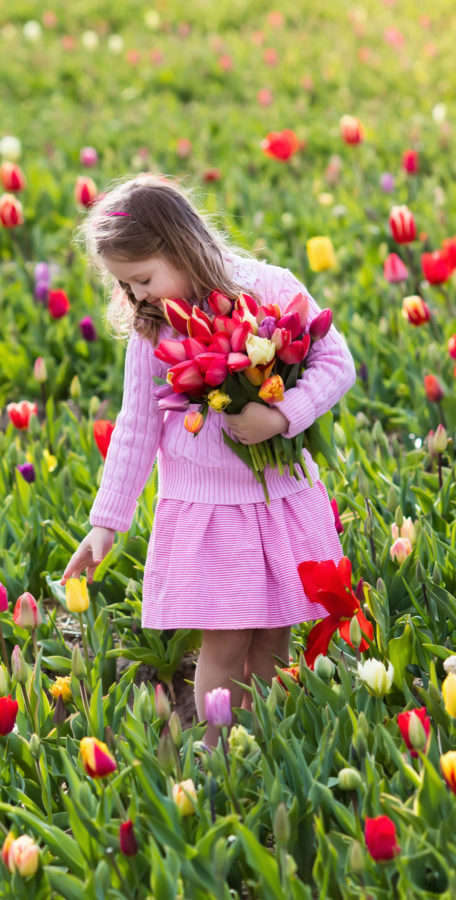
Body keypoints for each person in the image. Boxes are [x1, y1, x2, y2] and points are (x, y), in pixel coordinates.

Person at [60, 174, 356, 747]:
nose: (137, 296)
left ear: (181, 246)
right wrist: (105, 523)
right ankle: (220, 748)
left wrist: (281, 416)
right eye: (125, 286)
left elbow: (335, 362)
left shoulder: (270, 287)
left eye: (143, 278)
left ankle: (263, 739)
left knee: (274, 635)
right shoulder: (154, 330)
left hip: (281, 499)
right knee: (223, 641)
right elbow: (136, 426)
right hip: (208, 510)